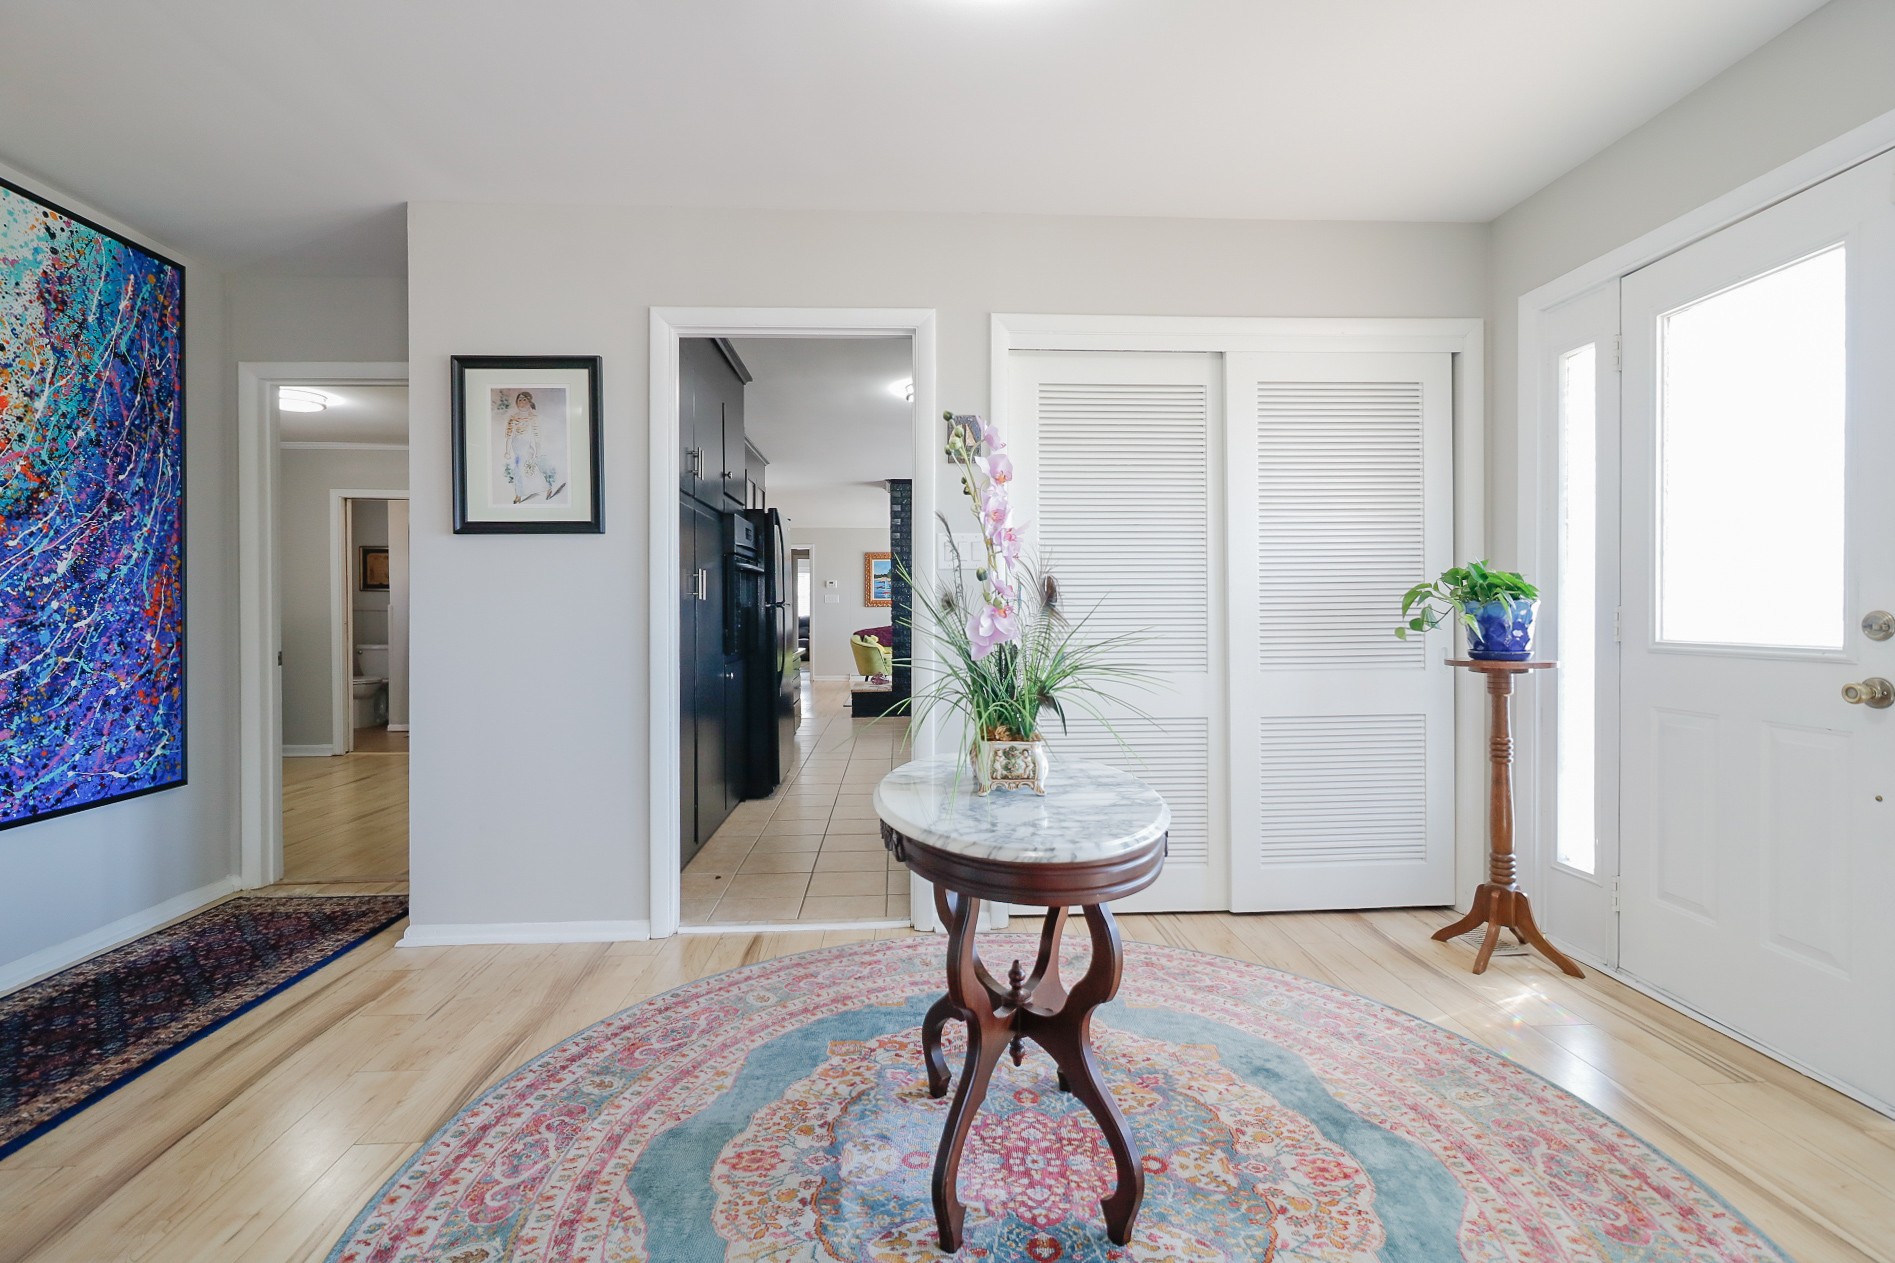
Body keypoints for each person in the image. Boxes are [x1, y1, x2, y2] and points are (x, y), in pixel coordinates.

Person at [500, 390, 559, 503]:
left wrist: (538, 451)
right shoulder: (513, 417)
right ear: (517, 402)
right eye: (519, 400)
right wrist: (507, 451)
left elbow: (537, 436)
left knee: (528, 469)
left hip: (526, 449)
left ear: (529, 402)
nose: (522, 402)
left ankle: (543, 488)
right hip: (516, 448)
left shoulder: (533, 417)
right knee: (519, 471)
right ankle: (520, 493)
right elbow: (509, 435)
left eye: (524, 400)